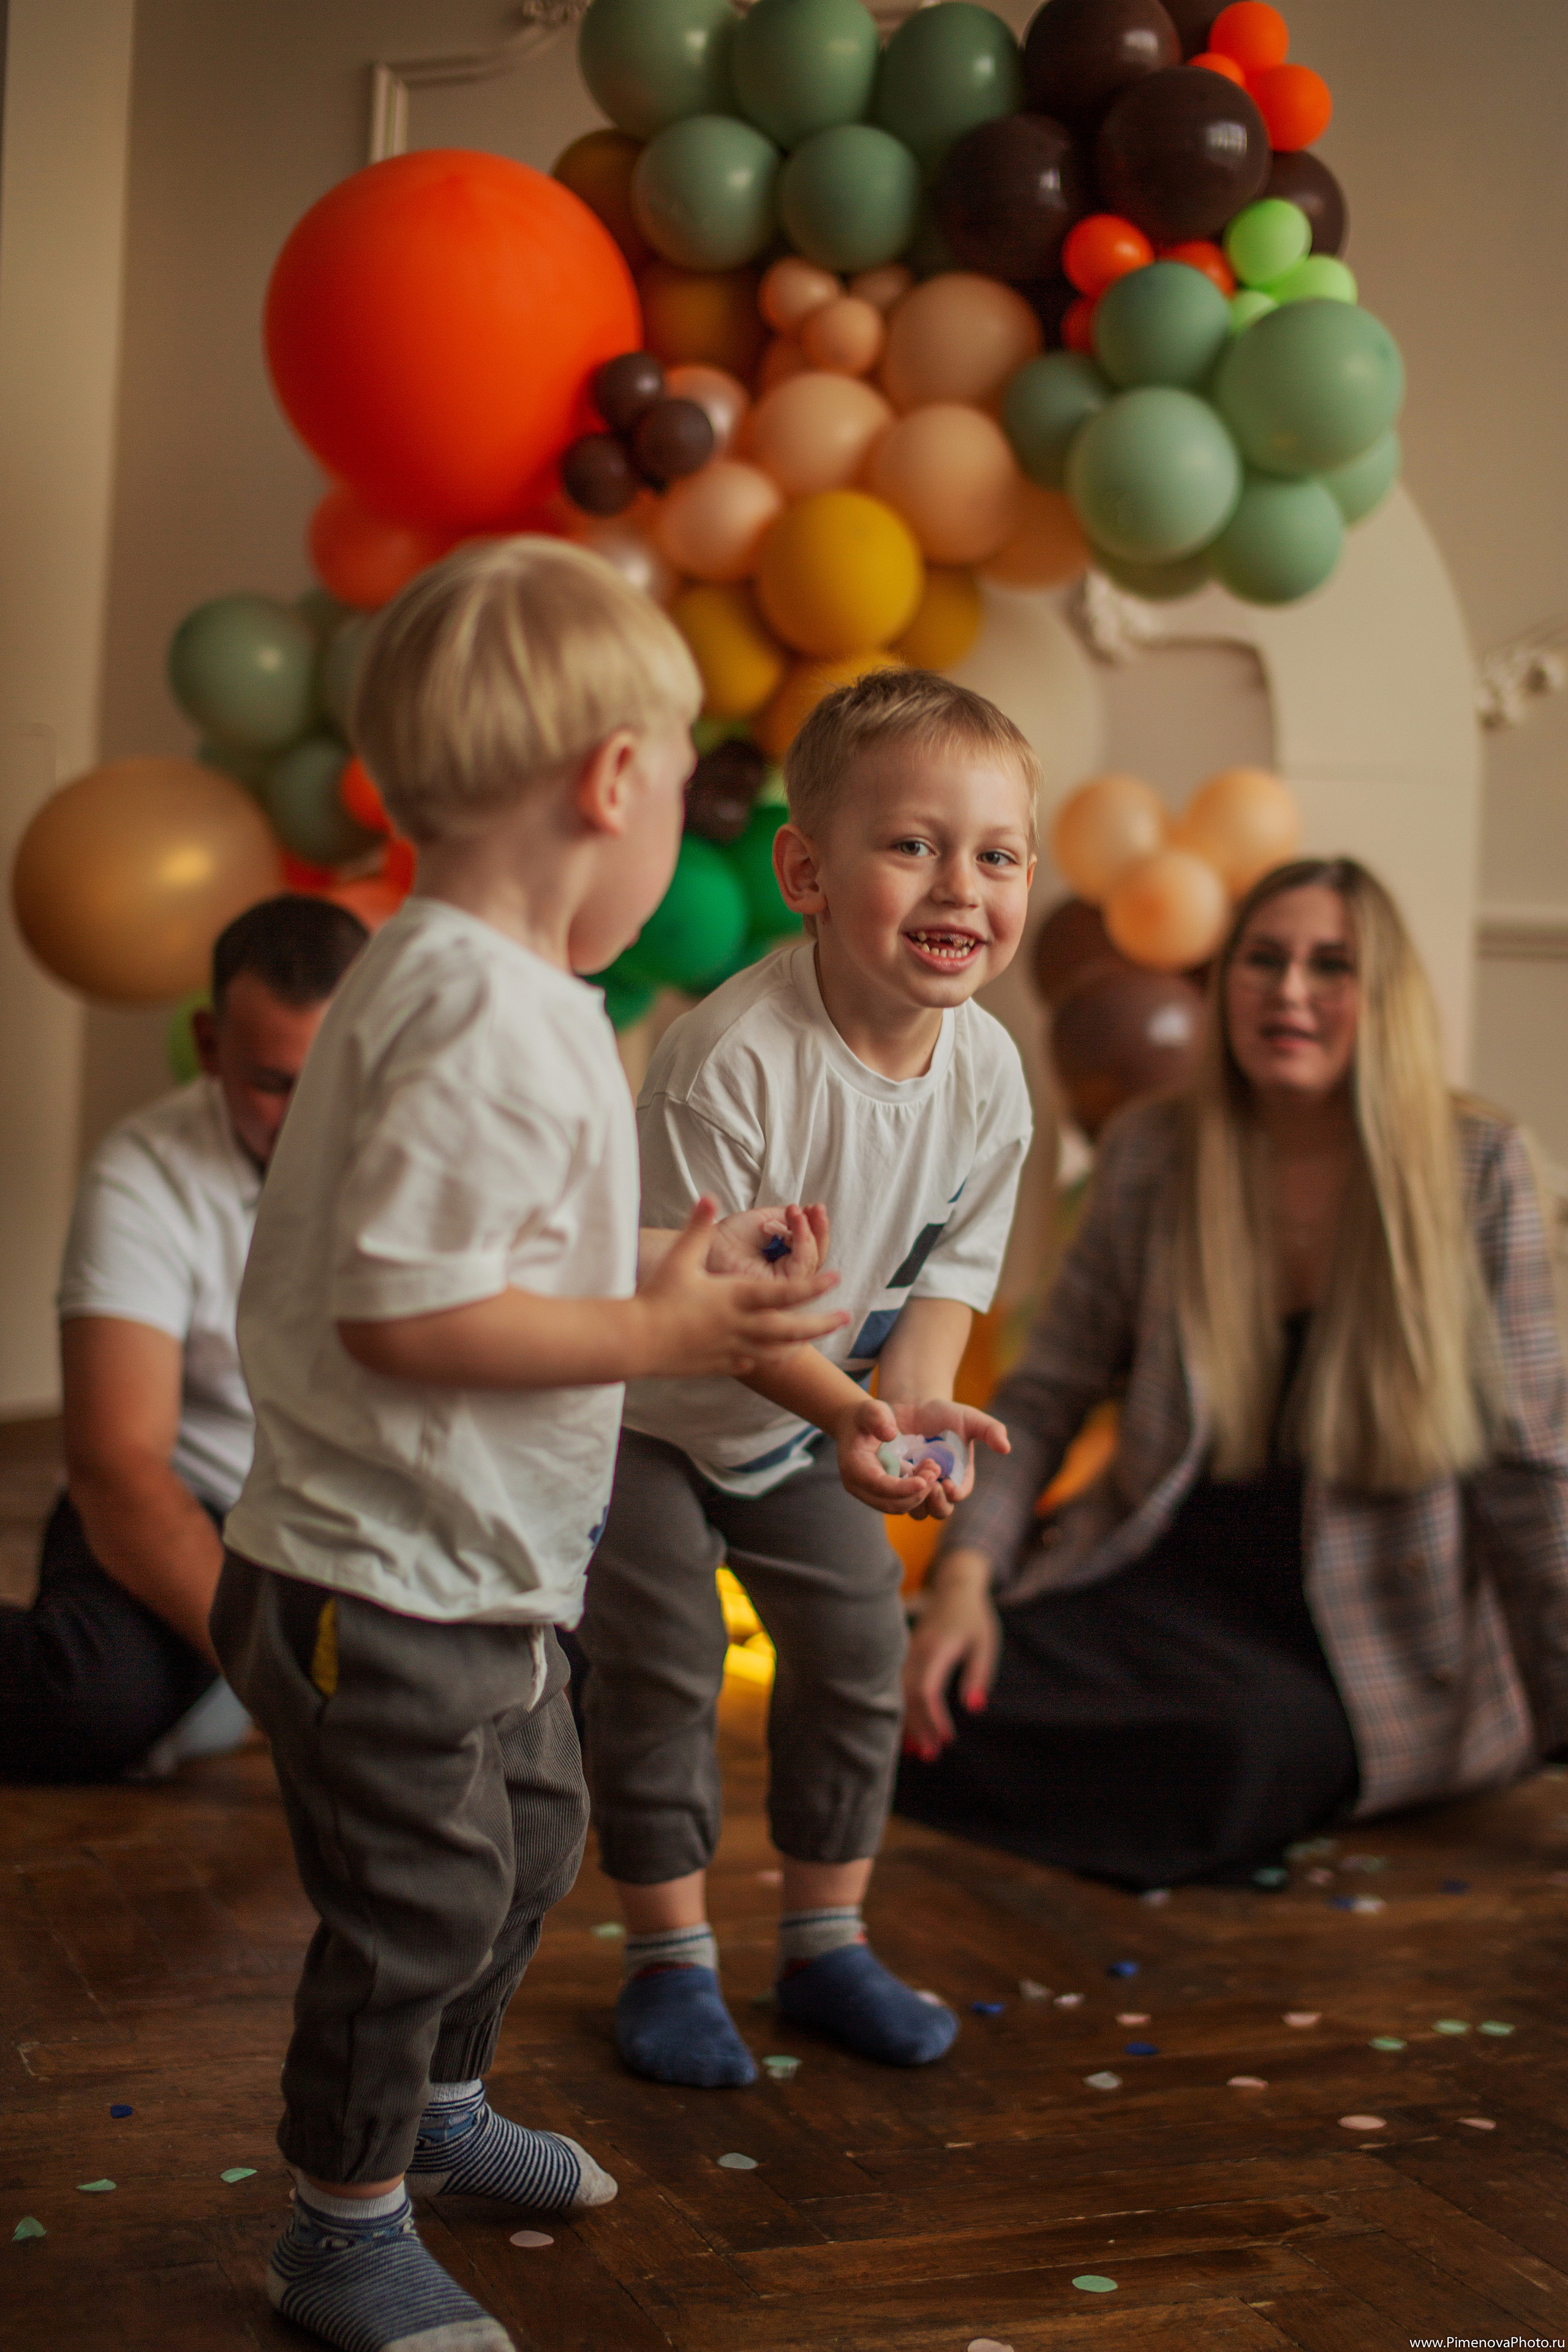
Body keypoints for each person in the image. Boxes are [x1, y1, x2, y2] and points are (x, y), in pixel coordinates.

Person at [208, 538, 845, 2352]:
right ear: (616, 779)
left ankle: (438, 2107)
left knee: (534, 1840)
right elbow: (403, 1315)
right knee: (416, 1901)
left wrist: (668, 1268)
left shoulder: (498, 990)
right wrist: (662, 1336)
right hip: (379, 1581)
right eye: (681, 785)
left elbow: (510, 1256)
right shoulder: (473, 1011)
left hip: (476, 1569)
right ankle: (341, 2224)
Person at [896, 858, 1568, 1891]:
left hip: (1355, 1643)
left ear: (1383, 995)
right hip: (1157, 1582)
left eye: (1331, 965)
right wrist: (963, 1583)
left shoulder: (1481, 1165)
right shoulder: (1153, 1150)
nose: (1289, 991)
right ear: (1227, 985)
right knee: (899, 1673)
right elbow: (1045, 1393)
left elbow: (1533, 1472)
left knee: (1241, 1751)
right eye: (1263, 960)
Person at [578, 669, 1038, 2089]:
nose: (959, 886)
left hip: (805, 1420)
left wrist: (905, 1414)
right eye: (912, 845)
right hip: (642, 1417)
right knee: (659, 1664)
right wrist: (851, 1413)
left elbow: (948, 1274)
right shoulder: (725, 1061)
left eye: (998, 856)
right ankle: (667, 1957)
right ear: (805, 874)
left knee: (854, 1645)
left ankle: (825, 1942)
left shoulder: (988, 1075)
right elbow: (707, 1310)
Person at [0, 893, 368, 1785]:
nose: (307, 1116)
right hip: (195, 1509)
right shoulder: (143, 1174)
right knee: (92, 1699)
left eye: (332, 1078)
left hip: (365, 1518)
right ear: (210, 1045)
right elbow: (117, 1468)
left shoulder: (445, 1147)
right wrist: (283, 1686)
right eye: (273, 1084)